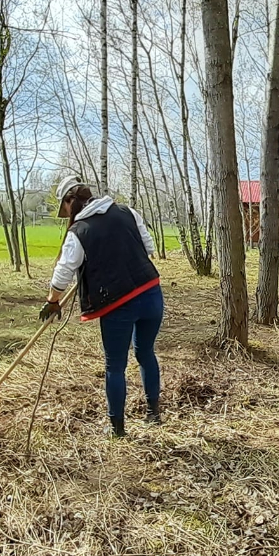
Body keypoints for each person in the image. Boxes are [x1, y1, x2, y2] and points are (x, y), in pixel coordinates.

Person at [41, 176, 163, 438]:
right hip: (152, 294)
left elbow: (62, 274)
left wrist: (52, 301)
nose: (65, 216)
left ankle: (116, 429)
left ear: (70, 202)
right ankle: (154, 414)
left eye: (64, 208)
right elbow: (148, 247)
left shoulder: (79, 232)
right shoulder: (126, 211)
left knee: (115, 366)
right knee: (146, 354)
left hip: (119, 305)